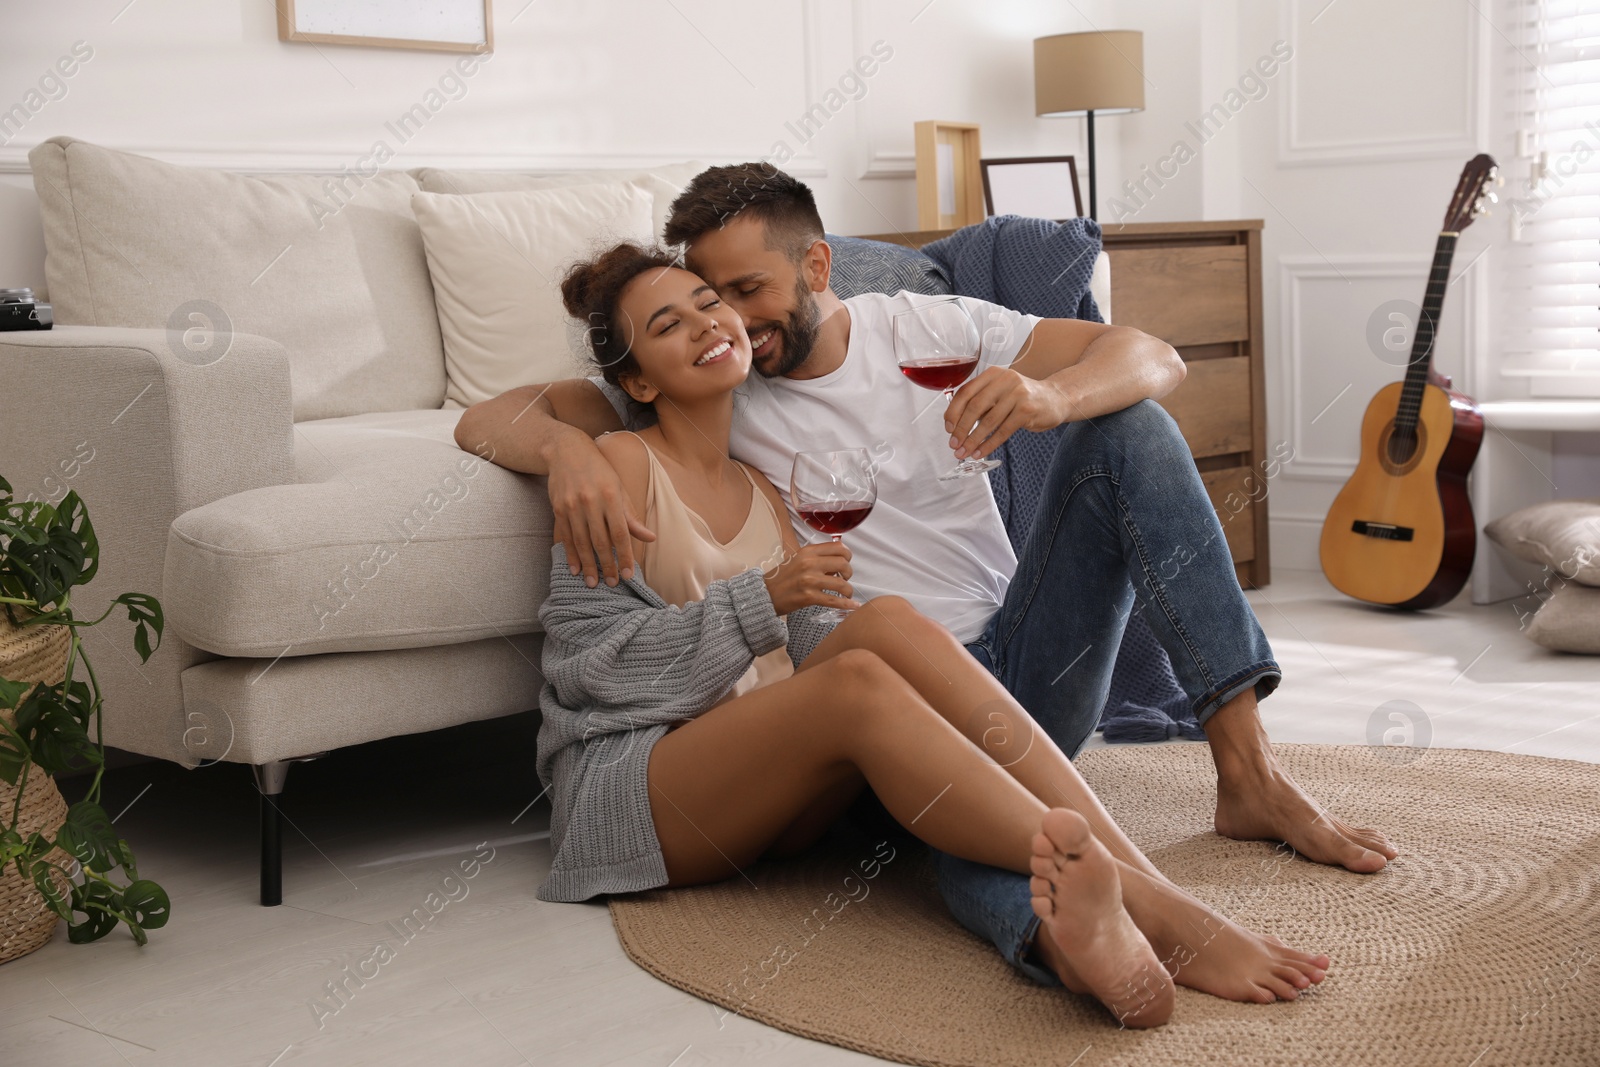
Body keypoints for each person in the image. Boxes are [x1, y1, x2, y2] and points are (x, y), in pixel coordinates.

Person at [457, 162, 1395, 993]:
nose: (727, 319)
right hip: (737, 752)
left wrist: (1047, 396)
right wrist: (564, 450)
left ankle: (1233, 788)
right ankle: (1121, 920)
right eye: (702, 302)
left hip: (1004, 672)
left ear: (817, 269)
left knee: (1097, 455)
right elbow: (509, 435)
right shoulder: (662, 427)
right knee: (896, 715)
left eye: (737, 293)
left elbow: (1155, 357)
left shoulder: (902, 351)